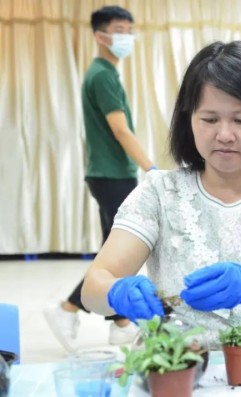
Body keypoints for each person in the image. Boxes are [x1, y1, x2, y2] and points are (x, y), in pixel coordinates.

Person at [81, 40, 241, 353]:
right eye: (209, 119)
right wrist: (116, 291)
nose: (224, 134)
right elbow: (93, 289)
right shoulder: (158, 194)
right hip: (174, 368)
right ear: (189, 120)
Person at [43, 5, 157, 352]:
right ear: (100, 35)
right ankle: (67, 309)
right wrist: (152, 170)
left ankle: (120, 323)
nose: (126, 36)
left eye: (129, 29)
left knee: (113, 250)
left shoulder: (102, 72)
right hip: (112, 174)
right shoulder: (103, 75)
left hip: (108, 174)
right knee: (121, 255)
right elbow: (121, 130)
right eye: (119, 29)